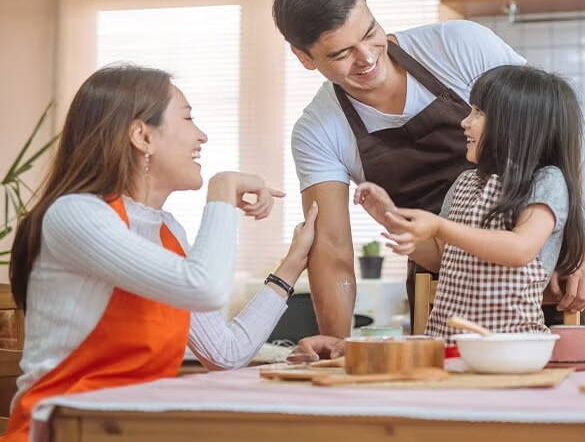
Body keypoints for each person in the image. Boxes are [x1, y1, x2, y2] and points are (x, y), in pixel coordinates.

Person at [273, 0, 585, 355]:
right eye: (342, 53)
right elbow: (332, 246)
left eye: (370, 32)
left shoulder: (459, 45)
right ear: (304, 57)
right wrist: (339, 344)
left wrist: (573, 254)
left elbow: (551, 133)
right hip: (447, 292)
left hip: (545, 278)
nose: (367, 57)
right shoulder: (318, 130)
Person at [3, 65, 336, 442]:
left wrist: (292, 266)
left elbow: (225, 353)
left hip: (130, 430)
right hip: (61, 432)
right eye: (188, 118)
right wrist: (222, 190)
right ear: (142, 136)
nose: (202, 135)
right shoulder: (75, 214)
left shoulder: (166, 230)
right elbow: (203, 287)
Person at [355, 65, 585, 341]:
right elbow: (441, 257)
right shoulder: (465, 182)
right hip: (447, 343)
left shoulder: (545, 181)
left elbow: (519, 249)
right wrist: (390, 218)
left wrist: (439, 227)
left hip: (511, 346)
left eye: (478, 112)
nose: (465, 122)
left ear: (517, 125)